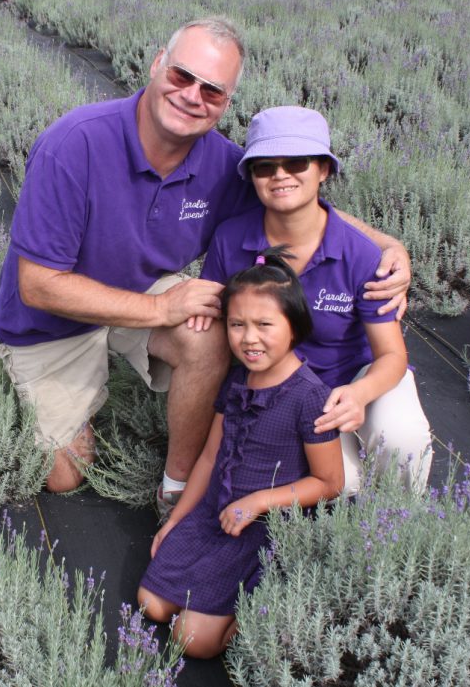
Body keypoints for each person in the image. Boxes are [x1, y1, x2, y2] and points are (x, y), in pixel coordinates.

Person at [0, 16, 411, 501]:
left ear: (226, 104)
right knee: (65, 475)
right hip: (51, 320)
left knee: (208, 334)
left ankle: (177, 487)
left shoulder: (222, 166)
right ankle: (53, 392)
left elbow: (297, 200)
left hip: (137, 288)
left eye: (212, 90)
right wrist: (160, 310)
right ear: (156, 66)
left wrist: (387, 244)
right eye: (181, 76)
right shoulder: (74, 145)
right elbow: (38, 285)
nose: (192, 96)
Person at [201, 106, 432, 493]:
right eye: (264, 167)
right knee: (334, 484)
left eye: (296, 162)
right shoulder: (231, 239)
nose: (280, 176)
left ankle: (401, 522)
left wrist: (359, 394)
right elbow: (215, 327)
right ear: (252, 177)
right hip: (277, 390)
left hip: (353, 380)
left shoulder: (360, 254)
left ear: (323, 169)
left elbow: (392, 355)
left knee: (402, 441)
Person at [137, 248, 343, 658]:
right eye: (237, 325)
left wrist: (259, 502)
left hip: (260, 528)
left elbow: (329, 483)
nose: (249, 338)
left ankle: (247, 611)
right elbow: (211, 458)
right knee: (151, 605)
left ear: (294, 328)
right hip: (214, 515)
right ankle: (207, 598)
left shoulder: (310, 398)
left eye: (265, 324)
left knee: (190, 641)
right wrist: (177, 518)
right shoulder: (237, 383)